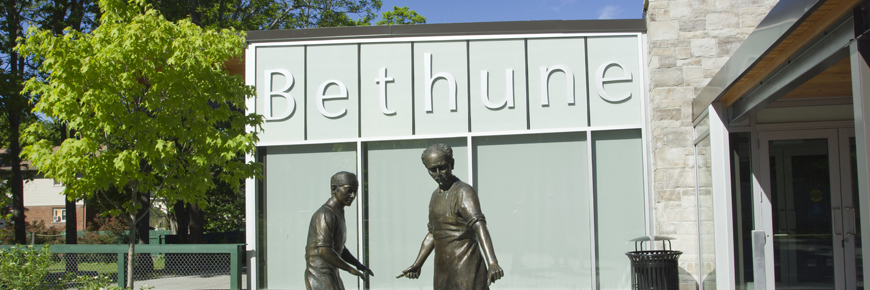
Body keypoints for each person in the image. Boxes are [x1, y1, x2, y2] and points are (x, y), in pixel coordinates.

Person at [398, 143, 504, 289]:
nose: (438, 173)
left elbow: (480, 226)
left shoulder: (463, 192)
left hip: (466, 264)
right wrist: (418, 263)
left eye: (442, 167)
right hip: (443, 267)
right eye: (432, 170)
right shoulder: (435, 196)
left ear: (452, 164)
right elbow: (434, 233)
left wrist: (492, 262)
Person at [305, 171, 374, 290]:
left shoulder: (338, 213)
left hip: (332, 273)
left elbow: (339, 248)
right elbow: (323, 250)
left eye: (355, 191)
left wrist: (357, 264)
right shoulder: (325, 214)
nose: (353, 195)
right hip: (319, 275)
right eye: (348, 190)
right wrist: (349, 268)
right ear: (334, 189)